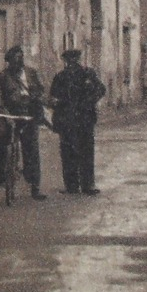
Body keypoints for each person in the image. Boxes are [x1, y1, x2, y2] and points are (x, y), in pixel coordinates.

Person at [0, 44, 48, 201]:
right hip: (9, 114)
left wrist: (35, 98)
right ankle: (2, 175)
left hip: (28, 114)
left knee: (32, 149)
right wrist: (4, 114)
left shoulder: (31, 73)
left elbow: (40, 90)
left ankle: (35, 187)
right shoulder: (2, 77)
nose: (19, 61)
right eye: (15, 59)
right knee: (2, 139)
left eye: (21, 58)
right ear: (9, 62)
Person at [48, 48, 106, 195]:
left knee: (86, 151)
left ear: (79, 59)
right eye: (69, 60)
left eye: (75, 59)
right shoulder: (60, 77)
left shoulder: (88, 74)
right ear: (66, 61)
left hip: (85, 119)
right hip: (66, 119)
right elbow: (53, 96)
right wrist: (57, 103)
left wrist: (90, 102)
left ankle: (88, 185)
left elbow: (101, 89)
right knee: (68, 153)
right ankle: (71, 186)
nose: (73, 62)